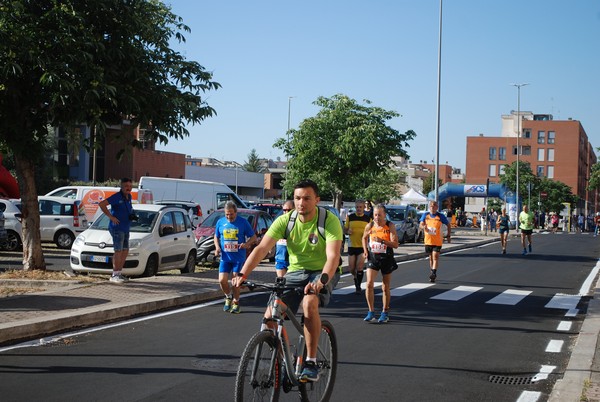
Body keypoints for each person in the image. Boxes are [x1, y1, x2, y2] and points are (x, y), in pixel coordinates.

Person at [232, 179, 343, 383]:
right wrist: (242, 274)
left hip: (323, 270)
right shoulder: (286, 220)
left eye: (307, 198)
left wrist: (322, 281)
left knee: (310, 303)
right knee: (270, 318)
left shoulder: (328, 220)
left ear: (317, 200)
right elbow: (261, 249)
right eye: (297, 198)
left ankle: (310, 361)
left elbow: (333, 256)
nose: (301, 203)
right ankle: (287, 362)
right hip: (295, 272)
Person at [214, 201, 257, 314]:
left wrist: (247, 244)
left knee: (235, 282)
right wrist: (217, 247)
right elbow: (216, 236)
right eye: (227, 214)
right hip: (225, 257)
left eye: (231, 214)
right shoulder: (220, 222)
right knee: (222, 280)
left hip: (238, 258)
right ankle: (228, 297)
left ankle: (236, 302)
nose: (229, 217)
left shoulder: (243, 222)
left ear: (236, 212)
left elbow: (253, 237)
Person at [361, 204, 399, 323]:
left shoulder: (389, 225)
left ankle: (384, 312)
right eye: (375, 215)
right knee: (369, 284)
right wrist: (365, 251)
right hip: (373, 257)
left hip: (386, 257)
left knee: (385, 286)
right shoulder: (370, 225)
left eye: (379, 215)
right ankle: (371, 311)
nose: (377, 217)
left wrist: (382, 241)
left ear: (384, 215)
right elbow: (364, 238)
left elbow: (395, 244)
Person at [98, 178, 134, 284]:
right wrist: (111, 217)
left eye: (130, 186)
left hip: (126, 227)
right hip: (117, 228)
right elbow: (102, 204)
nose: (129, 188)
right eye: (126, 186)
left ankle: (119, 272)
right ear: (121, 187)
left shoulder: (129, 197)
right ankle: (115, 274)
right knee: (118, 251)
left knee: (125, 250)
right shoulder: (117, 196)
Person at [344, 200, 372, 294]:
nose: (358, 209)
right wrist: (347, 232)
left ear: (364, 207)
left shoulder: (368, 219)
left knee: (359, 267)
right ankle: (355, 277)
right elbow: (345, 230)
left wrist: (369, 234)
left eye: (360, 207)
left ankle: (358, 286)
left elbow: (373, 230)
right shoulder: (350, 217)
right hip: (352, 246)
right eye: (357, 207)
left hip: (362, 246)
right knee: (351, 268)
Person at [420, 200, 451, 282]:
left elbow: (448, 224)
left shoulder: (440, 216)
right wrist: (424, 227)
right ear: (429, 207)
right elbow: (421, 224)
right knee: (430, 258)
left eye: (434, 206)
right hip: (428, 240)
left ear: (437, 207)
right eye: (431, 206)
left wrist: (448, 235)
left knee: (435, 256)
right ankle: (432, 272)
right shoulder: (425, 215)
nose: (432, 207)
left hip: (437, 240)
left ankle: (434, 273)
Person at [274, 200, 294, 277]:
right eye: (284, 210)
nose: (286, 212)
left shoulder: (298, 223)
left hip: (293, 261)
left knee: (291, 285)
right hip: (280, 259)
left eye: (289, 210)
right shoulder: (279, 222)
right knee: (281, 282)